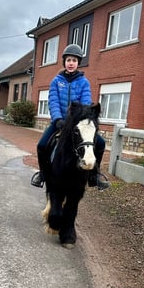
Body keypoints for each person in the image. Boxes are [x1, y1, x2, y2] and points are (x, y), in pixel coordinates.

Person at [31, 44, 109, 190]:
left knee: (100, 143)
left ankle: (94, 175)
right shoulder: (56, 81)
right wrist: (58, 119)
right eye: (68, 60)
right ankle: (42, 174)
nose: (71, 63)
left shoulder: (84, 82)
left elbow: (85, 103)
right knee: (41, 145)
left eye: (74, 60)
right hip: (59, 122)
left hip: (77, 125)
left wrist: (78, 122)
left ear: (78, 62)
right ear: (64, 62)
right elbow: (53, 101)